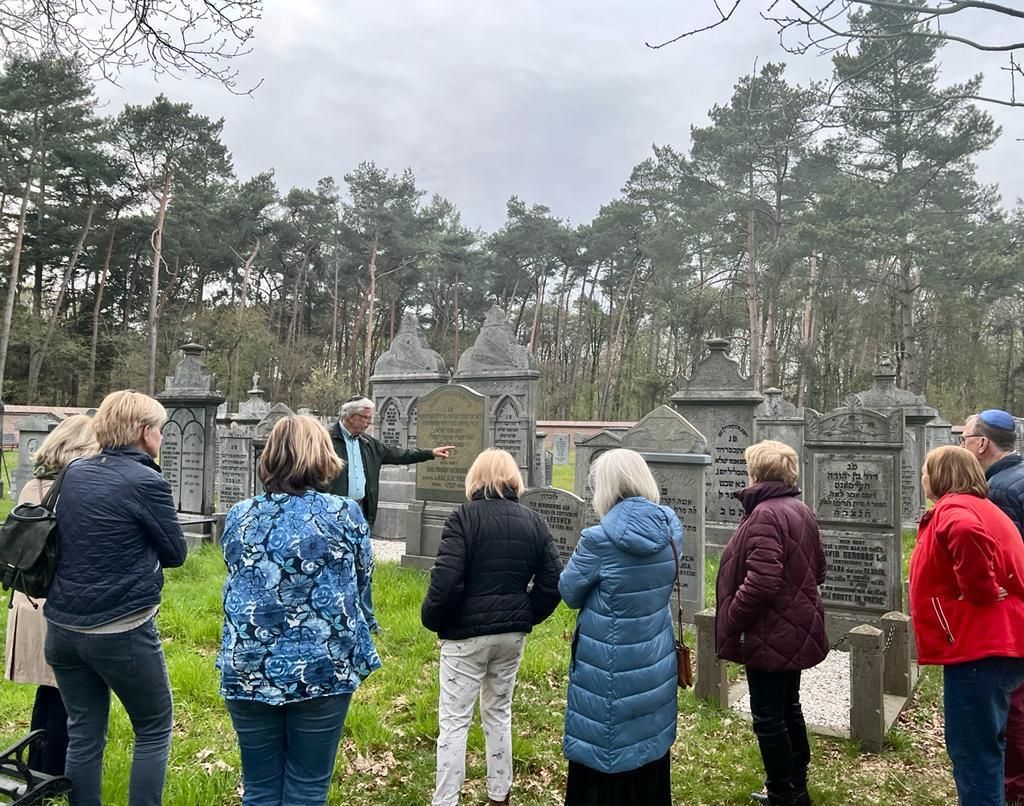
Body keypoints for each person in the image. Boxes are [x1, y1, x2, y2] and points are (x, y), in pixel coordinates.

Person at [219, 415, 381, 806]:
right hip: (323, 668)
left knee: (258, 789)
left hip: (249, 664)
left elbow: (234, 568)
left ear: (270, 457)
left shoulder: (241, 514)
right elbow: (363, 582)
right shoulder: (345, 514)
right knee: (307, 788)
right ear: (323, 456)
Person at [44, 390, 187, 806]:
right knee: (154, 727)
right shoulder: (147, 480)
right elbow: (176, 554)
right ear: (144, 433)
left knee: (84, 732)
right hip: (121, 626)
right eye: (159, 430)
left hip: (62, 628)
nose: (161, 437)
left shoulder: (73, 471)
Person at [421, 448, 562, 806]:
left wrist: (435, 620)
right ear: (513, 479)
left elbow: (446, 580)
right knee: (498, 714)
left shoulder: (463, 518)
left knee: (454, 722)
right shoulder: (534, 521)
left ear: (475, 478)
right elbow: (552, 581)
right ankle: (499, 796)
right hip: (510, 637)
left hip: (465, 639)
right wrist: (524, 614)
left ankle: (446, 800)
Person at [559, 448, 681, 806]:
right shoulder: (670, 530)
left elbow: (568, 591)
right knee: (648, 745)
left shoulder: (599, 541)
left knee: (606, 753)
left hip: (609, 670)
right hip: (655, 662)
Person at [715, 439, 827, 806]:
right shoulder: (799, 508)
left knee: (768, 717)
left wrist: (733, 618)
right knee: (788, 707)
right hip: (794, 626)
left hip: (769, 630)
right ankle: (797, 787)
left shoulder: (765, 514)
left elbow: (762, 580)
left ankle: (781, 794)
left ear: (756, 473)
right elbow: (819, 569)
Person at [911, 445, 1024, 806]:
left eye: (927, 471)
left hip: (979, 647)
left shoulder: (955, 510)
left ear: (943, 475)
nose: (923, 478)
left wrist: (980, 590)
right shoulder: (983, 506)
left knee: (972, 751)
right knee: (987, 743)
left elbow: (965, 533)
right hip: (995, 642)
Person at [4, 414, 98, 775]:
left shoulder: (35, 486)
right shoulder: (73, 493)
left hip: (28, 600)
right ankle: (54, 774)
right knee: (66, 695)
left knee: (49, 693)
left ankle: (37, 766)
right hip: (56, 604)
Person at [962, 409, 1024, 804]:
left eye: (965, 438)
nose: (963, 445)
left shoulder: (998, 492)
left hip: (1008, 620)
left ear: (982, 444)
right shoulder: (1013, 480)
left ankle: (1013, 787)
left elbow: (1000, 563)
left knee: (1012, 705)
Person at [328, 395, 453, 531]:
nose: (369, 422)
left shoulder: (368, 443)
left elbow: (399, 455)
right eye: (366, 417)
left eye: (371, 418)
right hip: (332, 511)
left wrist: (430, 453)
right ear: (351, 416)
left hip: (361, 510)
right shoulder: (325, 440)